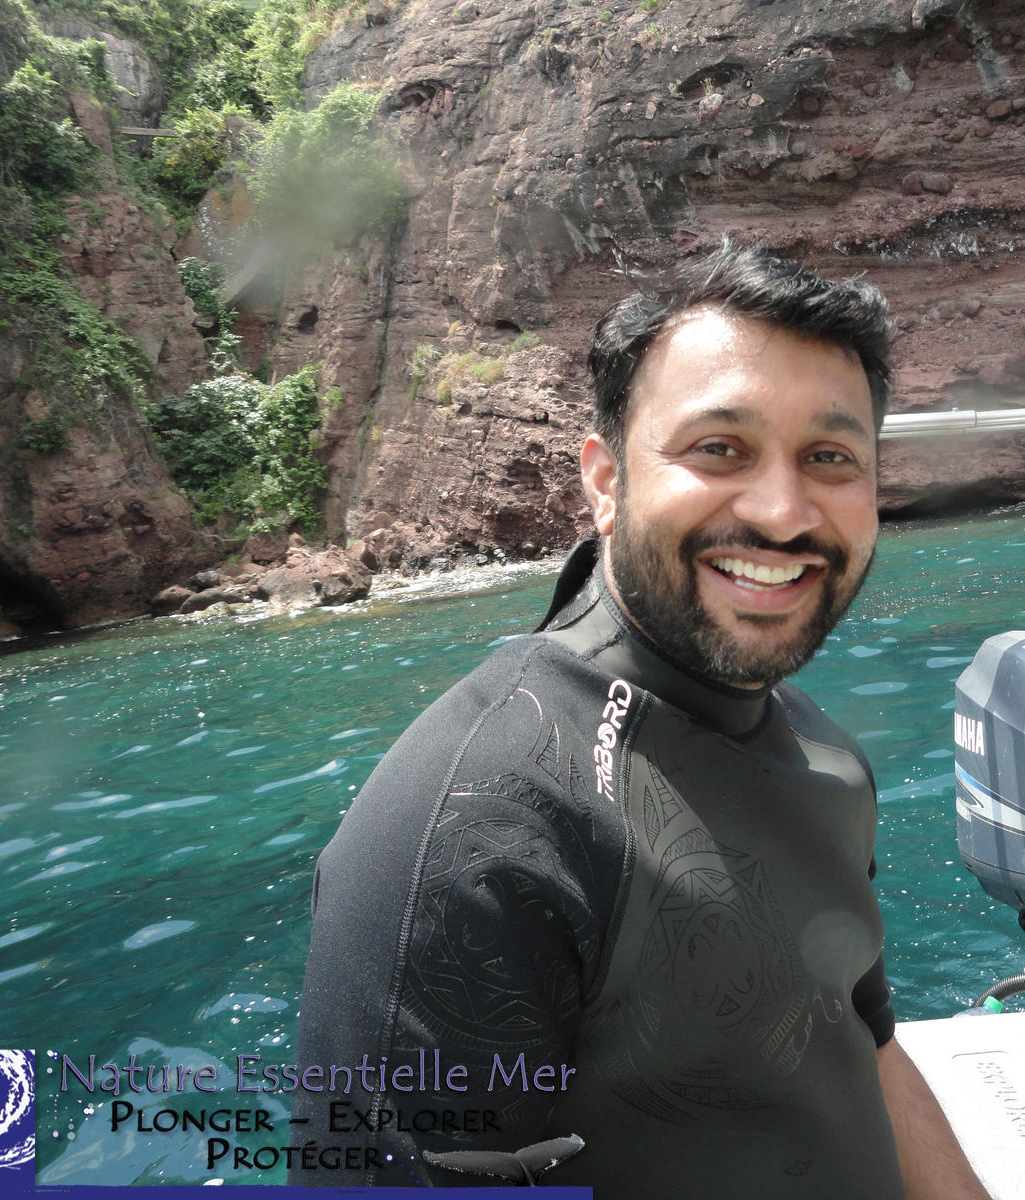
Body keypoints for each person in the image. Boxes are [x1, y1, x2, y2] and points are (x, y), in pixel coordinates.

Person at [289, 243, 986, 1197]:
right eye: (718, 448)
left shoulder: (817, 746)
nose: (784, 513)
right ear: (606, 482)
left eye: (830, 458)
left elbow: (865, 1043)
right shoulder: (479, 829)